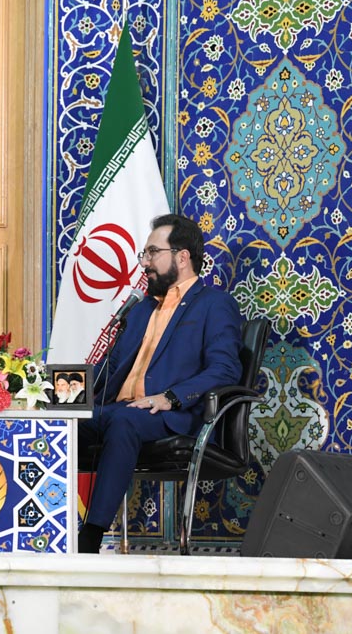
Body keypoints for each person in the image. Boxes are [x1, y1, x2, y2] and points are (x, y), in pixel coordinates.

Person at [77, 213, 242, 553]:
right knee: (60, 426)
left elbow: (225, 369)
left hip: (171, 415)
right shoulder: (140, 310)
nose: (145, 263)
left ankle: (90, 537)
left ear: (182, 257)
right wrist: (62, 395)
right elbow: (110, 370)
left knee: (125, 421)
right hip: (118, 409)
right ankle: (45, 527)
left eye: (153, 252)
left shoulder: (214, 305)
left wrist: (170, 397)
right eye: (145, 254)